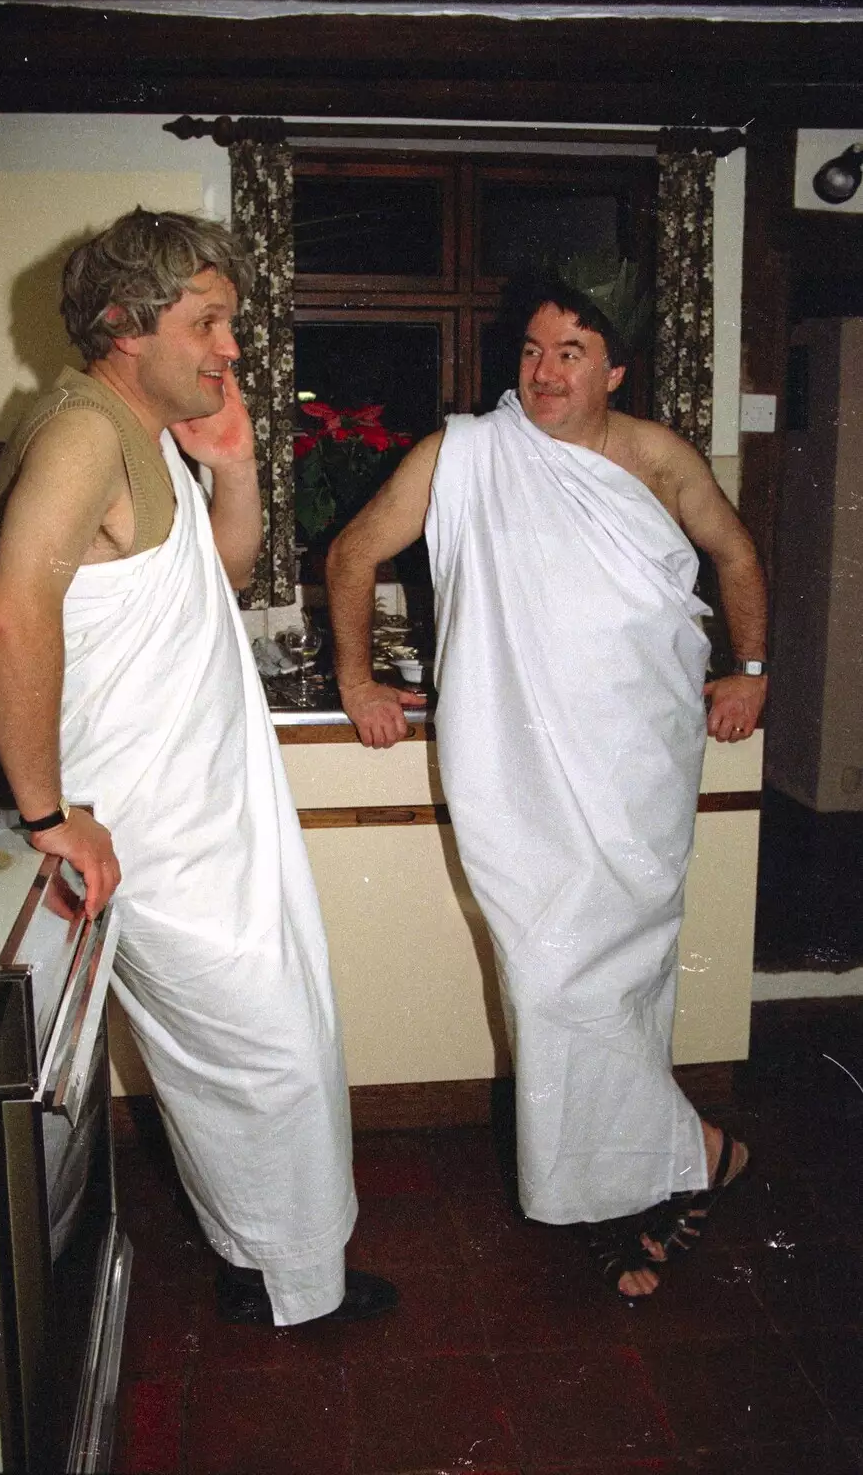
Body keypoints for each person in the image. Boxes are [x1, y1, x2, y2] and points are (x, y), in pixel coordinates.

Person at [0, 207, 396, 1327]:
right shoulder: (80, 432)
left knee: (264, 1049)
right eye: (208, 321)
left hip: (197, 815)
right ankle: (285, 1277)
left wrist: (239, 464)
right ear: (125, 323)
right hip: (147, 830)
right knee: (267, 1054)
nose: (230, 348)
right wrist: (46, 812)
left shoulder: (139, 431)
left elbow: (213, 572)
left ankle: (268, 1260)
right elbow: (15, 615)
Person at [326, 278, 767, 1300]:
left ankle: (642, 1182)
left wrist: (750, 668)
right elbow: (352, 552)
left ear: (613, 371)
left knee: (616, 978)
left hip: (636, 762)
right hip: (514, 763)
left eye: (571, 351)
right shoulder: (466, 453)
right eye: (530, 350)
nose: (545, 369)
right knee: (551, 978)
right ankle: (691, 1154)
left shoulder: (656, 457)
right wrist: (355, 679)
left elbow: (733, 551)